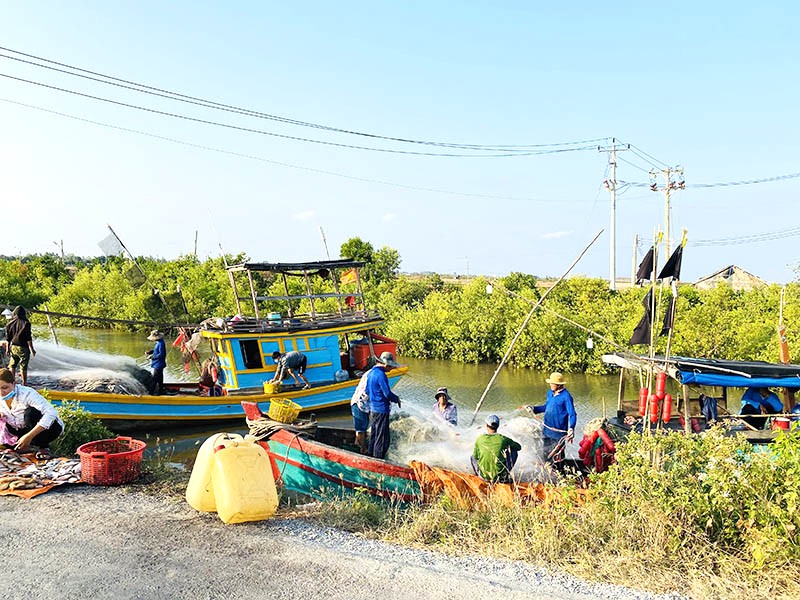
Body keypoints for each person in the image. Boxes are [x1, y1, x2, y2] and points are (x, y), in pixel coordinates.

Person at [0, 367, 63, 455]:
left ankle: (43, 446)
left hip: (48, 430)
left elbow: (51, 412)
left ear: (14, 384)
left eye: (5, 388)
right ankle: (24, 447)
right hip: (19, 429)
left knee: (30, 413)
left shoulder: (27, 393)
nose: (1, 392)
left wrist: (29, 436)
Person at [526, 372, 577, 466]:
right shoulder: (550, 393)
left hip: (558, 434)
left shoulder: (566, 397)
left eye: (552, 383)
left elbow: (572, 414)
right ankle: (548, 475)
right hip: (546, 431)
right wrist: (534, 409)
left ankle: (561, 475)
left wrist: (571, 428)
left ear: (558, 385)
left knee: (558, 457)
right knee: (545, 455)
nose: (550, 385)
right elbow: (546, 407)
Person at [366, 351, 402, 459]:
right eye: (390, 367)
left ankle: (370, 455)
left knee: (374, 434)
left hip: (373, 409)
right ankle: (378, 461)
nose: (391, 369)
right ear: (386, 364)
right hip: (382, 410)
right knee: (381, 438)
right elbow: (387, 394)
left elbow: (367, 391)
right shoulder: (381, 375)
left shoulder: (371, 373)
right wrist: (396, 399)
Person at [471, 414, 521, 483]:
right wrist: (506, 448)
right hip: (499, 478)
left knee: (472, 457)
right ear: (498, 426)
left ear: (487, 426)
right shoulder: (503, 439)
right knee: (514, 451)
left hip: (484, 477)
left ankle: (479, 475)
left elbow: (475, 456)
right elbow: (518, 447)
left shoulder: (480, 438)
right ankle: (504, 476)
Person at [5, 306, 36, 385]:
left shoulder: (9, 324)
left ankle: (12, 382)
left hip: (13, 346)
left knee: (12, 365)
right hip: (23, 347)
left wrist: (7, 349)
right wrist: (32, 349)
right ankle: (24, 383)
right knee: (23, 365)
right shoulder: (26, 323)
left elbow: (8, 338)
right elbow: (28, 338)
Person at [350, 370, 370, 453]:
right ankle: (362, 449)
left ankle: (357, 446)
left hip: (363, 404)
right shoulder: (373, 375)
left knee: (362, 428)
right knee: (361, 429)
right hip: (359, 404)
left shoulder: (370, 373)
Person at [145, 330, 167, 396]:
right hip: (158, 363)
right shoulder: (159, 342)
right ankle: (161, 390)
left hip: (158, 364)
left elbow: (162, 354)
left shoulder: (161, 343)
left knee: (154, 378)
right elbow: (157, 351)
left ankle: (151, 393)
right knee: (160, 377)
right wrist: (150, 352)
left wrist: (152, 357)